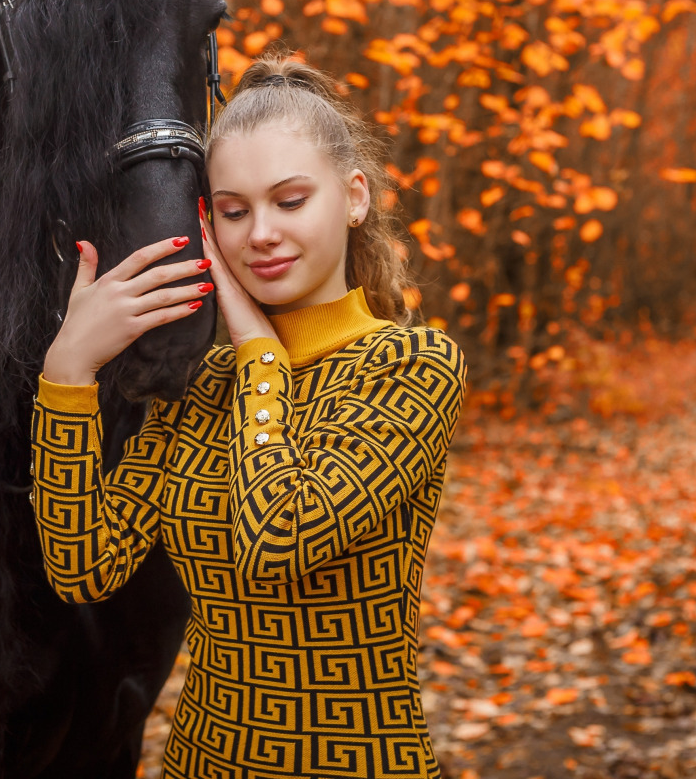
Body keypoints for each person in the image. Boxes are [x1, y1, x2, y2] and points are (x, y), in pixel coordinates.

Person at [33, 55, 468, 778]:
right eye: (233, 211)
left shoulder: (412, 365)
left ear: (354, 197)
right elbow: (85, 566)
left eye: (290, 201)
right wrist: (67, 374)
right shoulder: (202, 384)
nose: (260, 233)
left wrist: (260, 355)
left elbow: (280, 536)